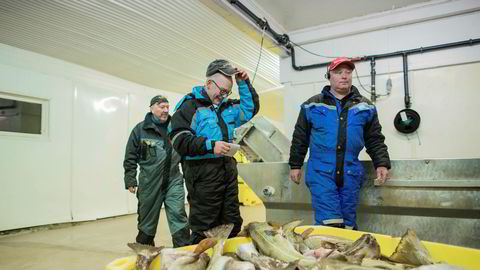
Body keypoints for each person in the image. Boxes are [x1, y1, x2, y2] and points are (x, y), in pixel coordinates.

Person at [288, 57, 391, 230]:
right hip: (321, 172)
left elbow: (374, 138)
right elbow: (300, 137)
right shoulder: (312, 105)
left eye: (348, 72)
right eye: (338, 72)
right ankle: (328, 255)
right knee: (330, 223)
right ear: (329, 76)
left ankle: (344, 256)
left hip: (350, 172)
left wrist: (381, 163)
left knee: (348, 223)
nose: (344, 76)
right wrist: (295, 165)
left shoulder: (365, 106)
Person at [169, 59, 259, 244]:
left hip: (227, 172)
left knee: (232, 223)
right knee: (206, 228)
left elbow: (250, 109)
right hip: (203, 176)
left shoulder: (227, 107)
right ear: (209, 83)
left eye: (228, 92)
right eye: (222, 91)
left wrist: (244, 83)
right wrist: (211, 145)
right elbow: (179, 139)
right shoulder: (190, 107)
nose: (224, 96)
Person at [123, 95, 190, 247]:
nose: (166, 110)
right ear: (152, 108)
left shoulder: (176, 127)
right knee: (147, 219)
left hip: (174, 180)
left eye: (167, 107)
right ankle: (145, 252)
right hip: (149, 182)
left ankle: (182, 253)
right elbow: (130, 156)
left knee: (178, 214)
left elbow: (185, 153)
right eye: (161, 107)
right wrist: (130, 179)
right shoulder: (140, 130)